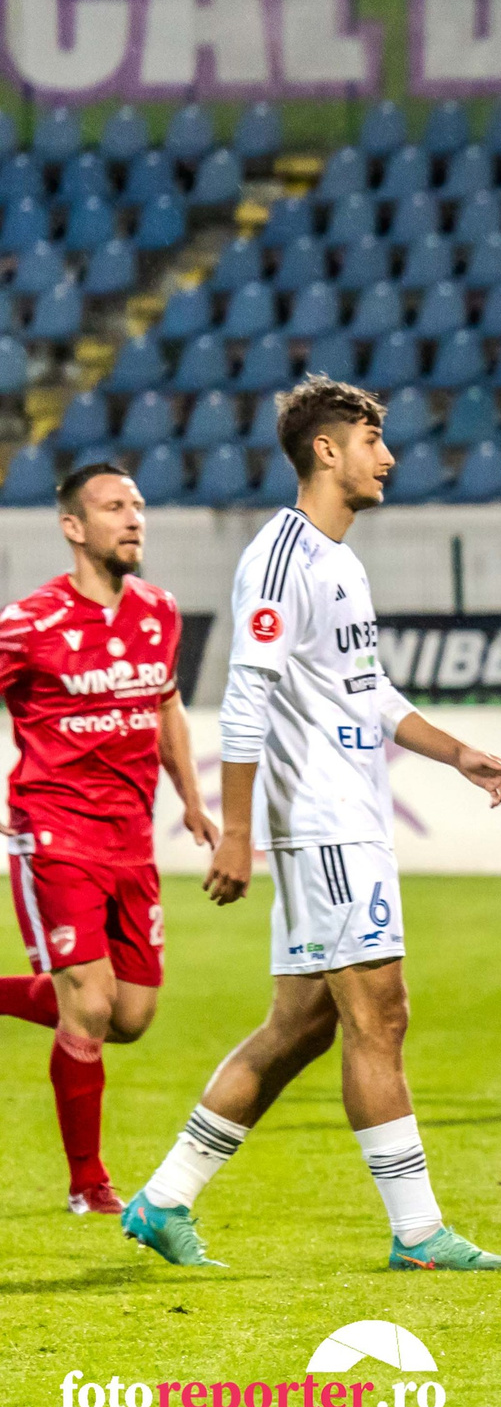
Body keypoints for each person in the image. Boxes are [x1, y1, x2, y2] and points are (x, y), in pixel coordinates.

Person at [122, 378, 501, 1272]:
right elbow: (244, 698)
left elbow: (366, 689)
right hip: (325, 826)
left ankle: (164, 1197)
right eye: (374, 439)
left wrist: (456, 752)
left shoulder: (340, 561)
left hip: (347, 818)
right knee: (381, 1016)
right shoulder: (279, 558)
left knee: (300, 1025)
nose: (390, 456)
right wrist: (235, 830)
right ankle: (419, 1233)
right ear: (327, 451)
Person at [0, 463, 217, 1214]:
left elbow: (167, 709)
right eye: (114, 507)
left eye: (138, 505)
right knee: (89, 1002)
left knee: (130, 1016)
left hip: (131, 838)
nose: (134, 519)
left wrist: (192, 800)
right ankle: (88, 1182)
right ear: (73, 526)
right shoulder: (28, 623)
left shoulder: (158, 610)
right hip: (53, 832)